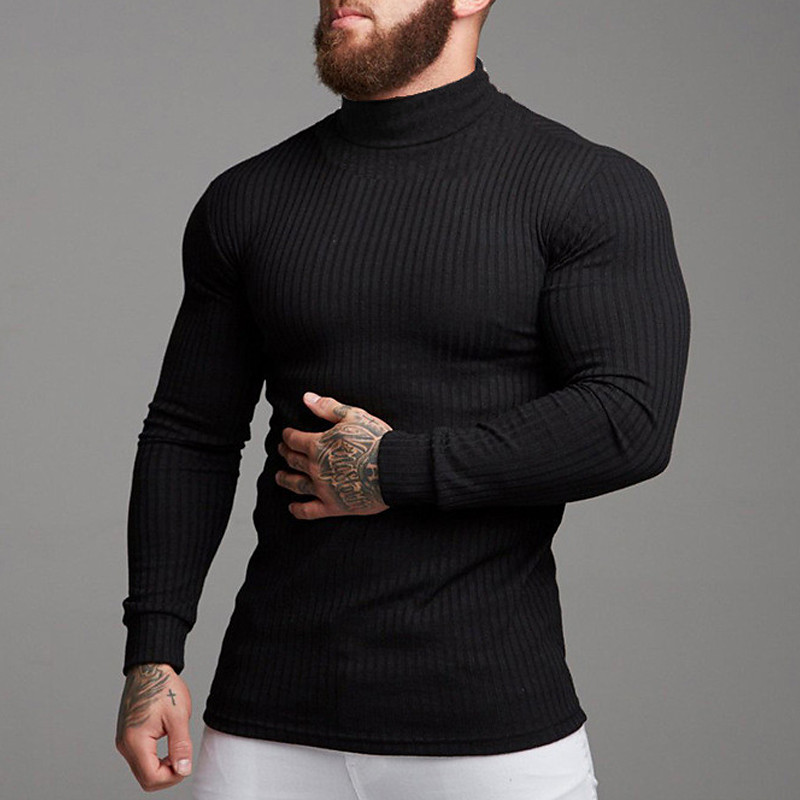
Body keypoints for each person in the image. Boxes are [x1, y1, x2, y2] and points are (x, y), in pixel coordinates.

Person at [115, 0, 691, 797]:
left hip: (491, 738)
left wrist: (394, 469)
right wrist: (153, 650)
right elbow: (190, 433)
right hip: (263, 727)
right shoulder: (248, 197)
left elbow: (629, 417)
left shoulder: (588, 186)